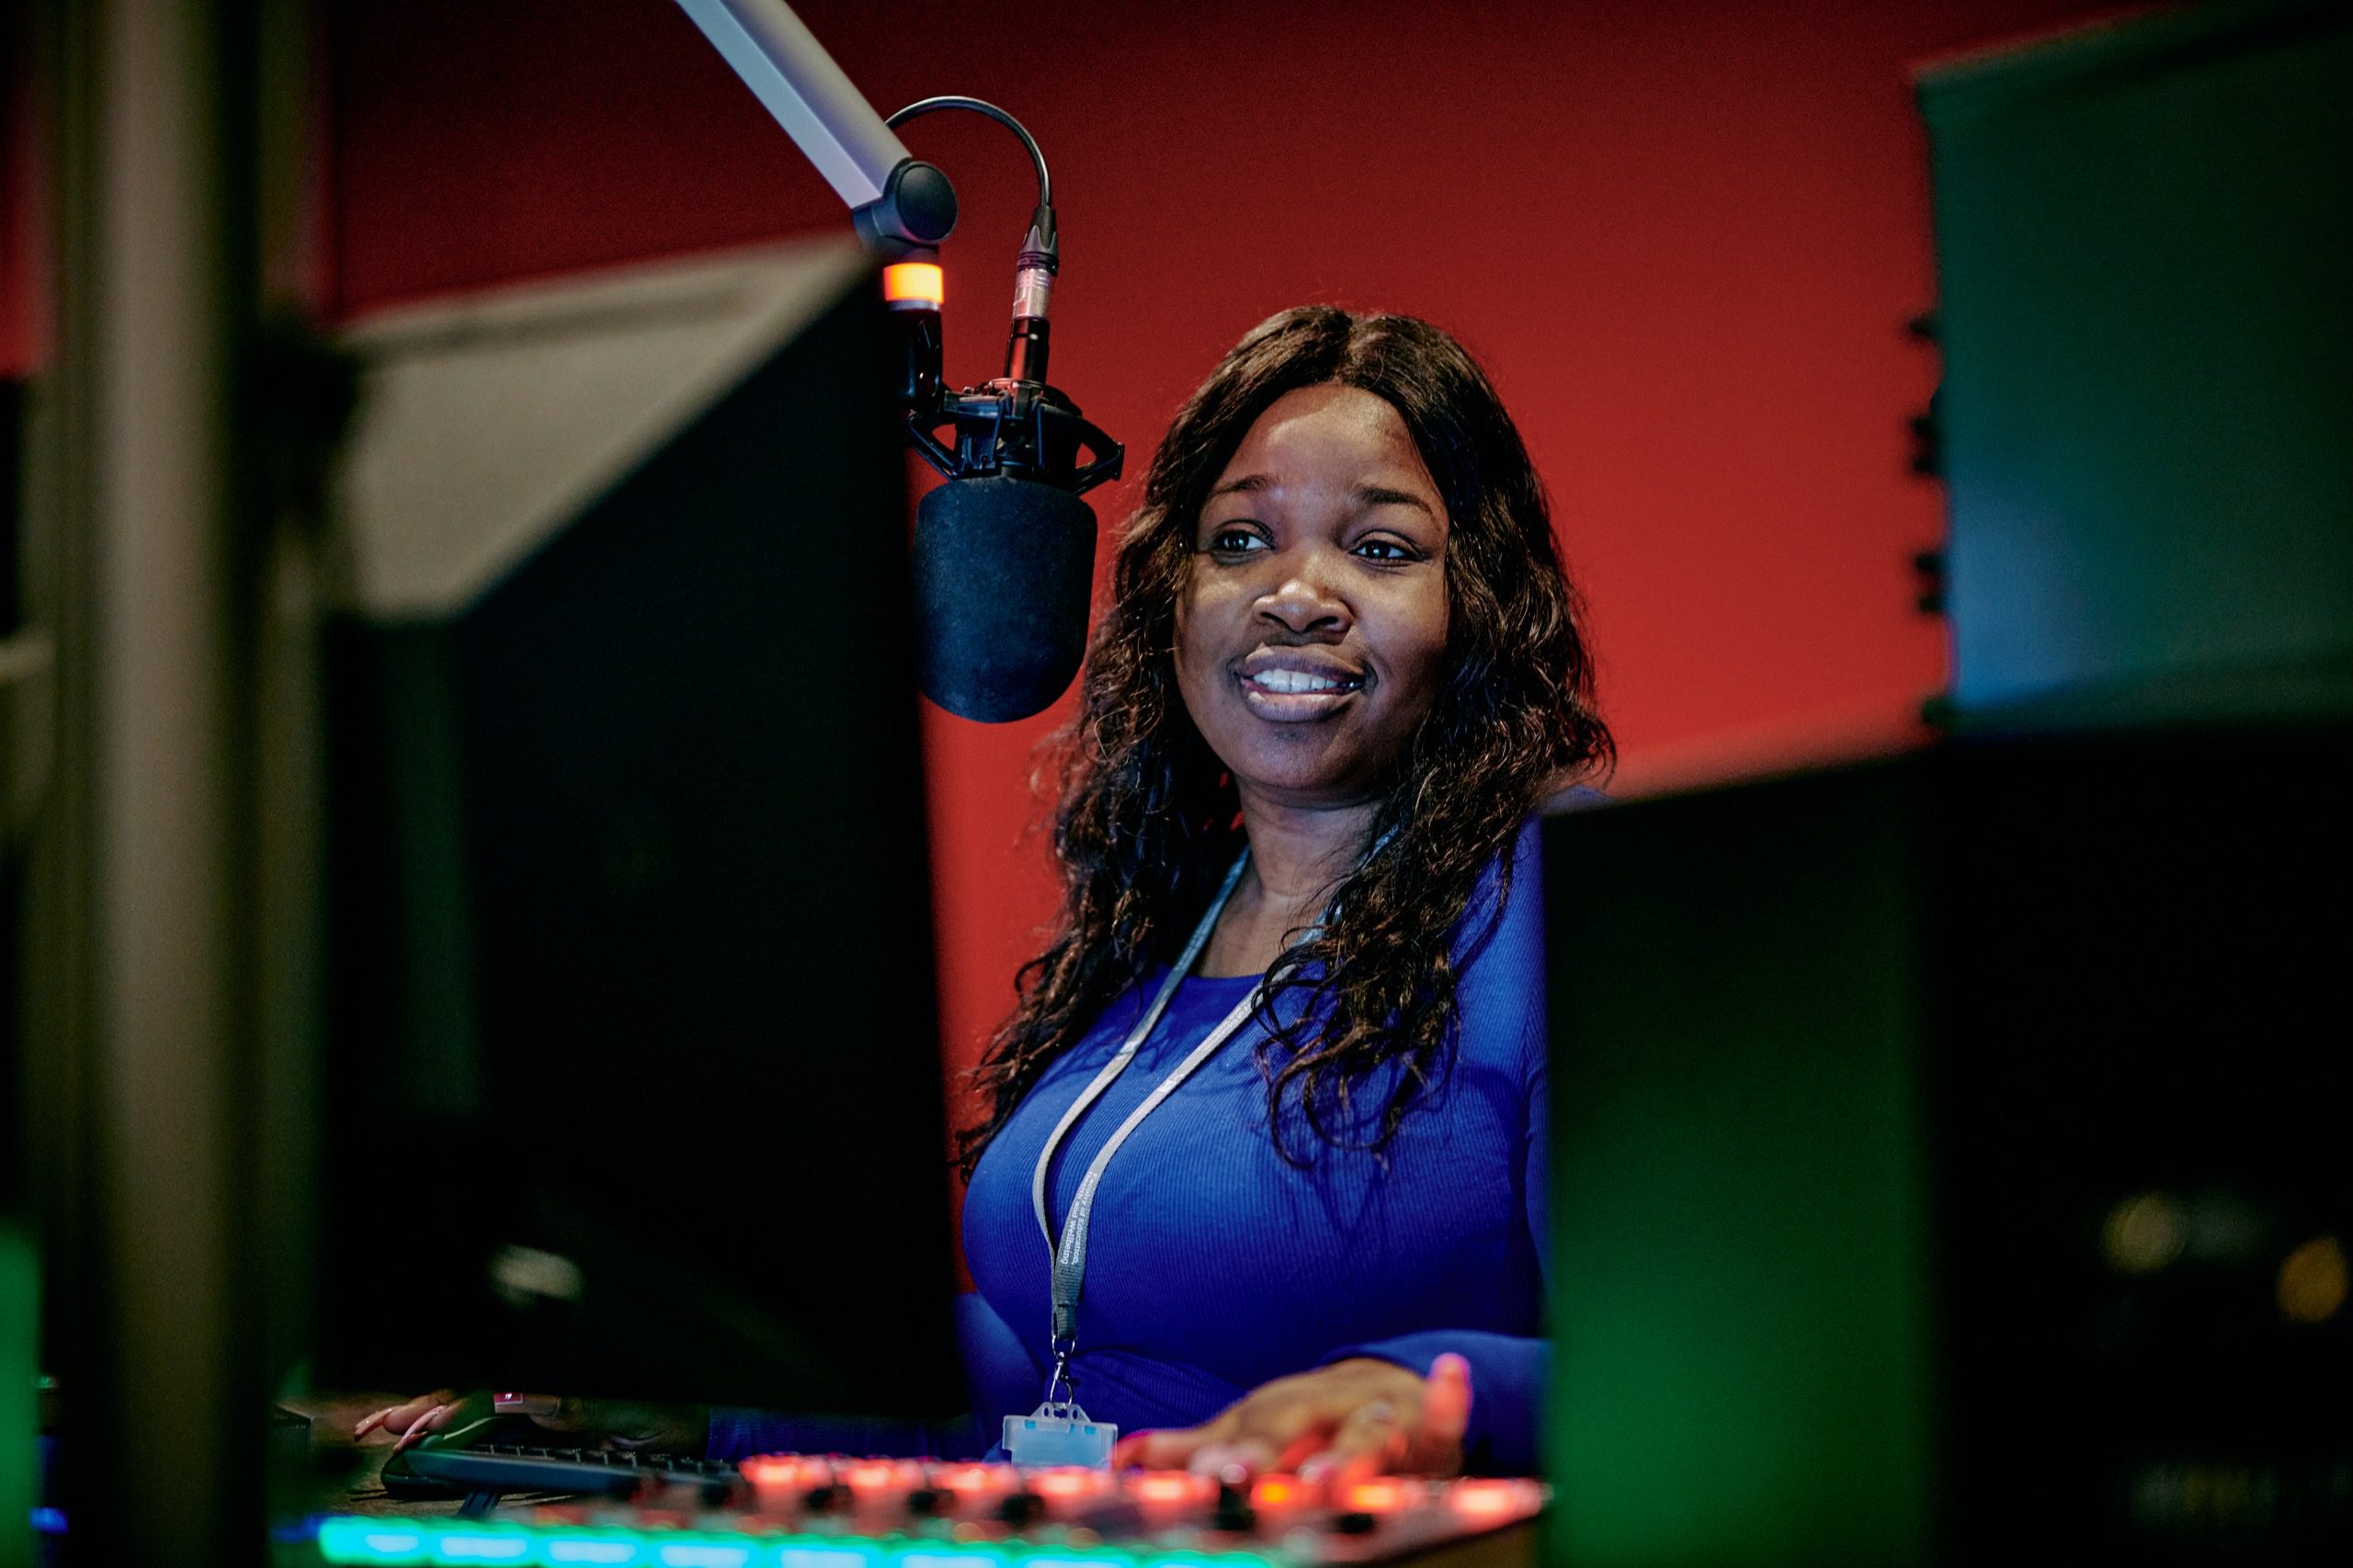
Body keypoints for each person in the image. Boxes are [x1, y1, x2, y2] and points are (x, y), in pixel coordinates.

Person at [358, 304, 1608, 1481]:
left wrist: (1413, 1395)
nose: (1294, 592)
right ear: (1174, 593)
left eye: (1381, 547)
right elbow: (1043, 1386)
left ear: (1478, 602)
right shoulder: (1164, 922)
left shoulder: (1552, 893)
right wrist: (665, 1381)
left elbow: (1711, 1358)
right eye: (1240, 539)